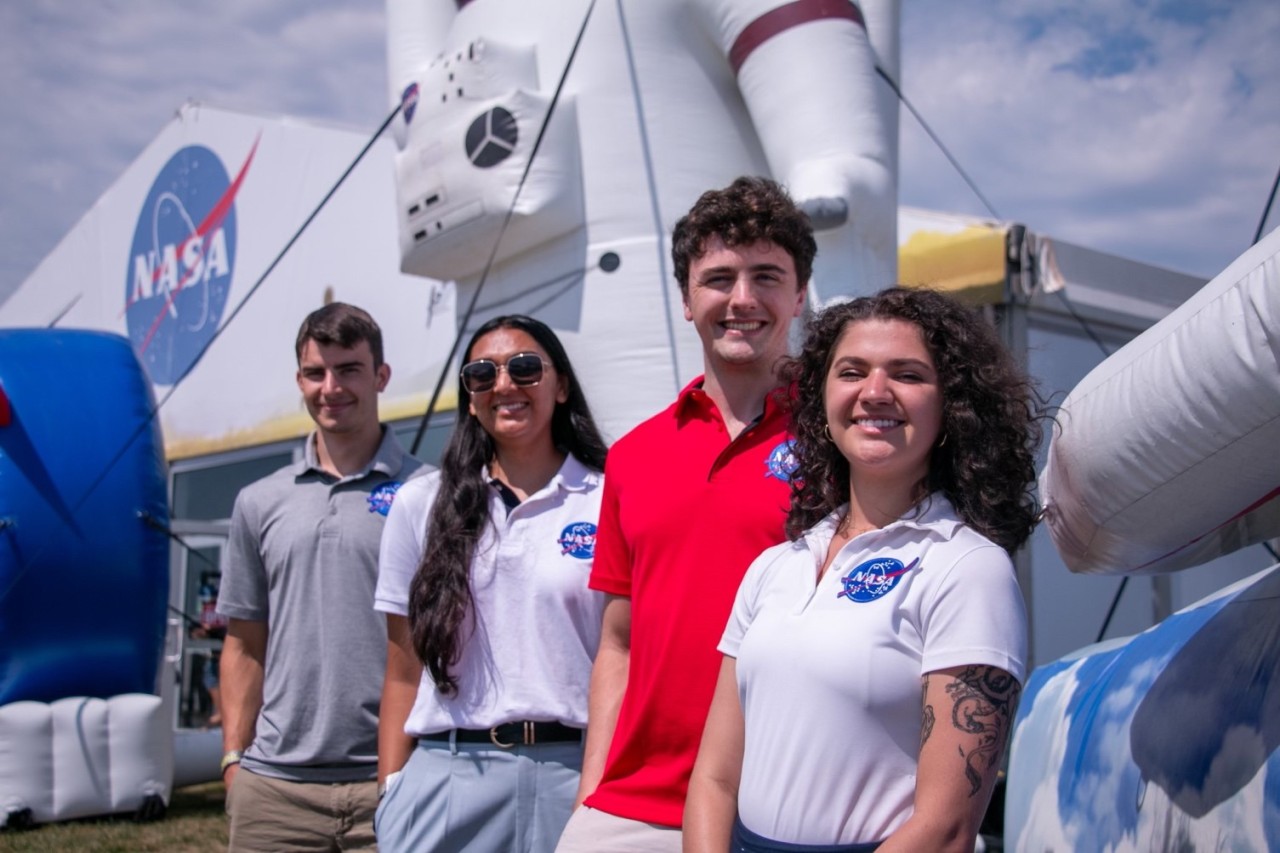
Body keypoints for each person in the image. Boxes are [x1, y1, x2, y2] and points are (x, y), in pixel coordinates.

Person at [684, 286, 1043, 852]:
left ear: (953, 407)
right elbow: (714, 779)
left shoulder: (967, 568)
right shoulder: (775, 566)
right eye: (851, 372)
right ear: (822, 400)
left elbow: (946, 829)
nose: (874, 392)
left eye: (907, 374)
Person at [556, 176, 814, 852]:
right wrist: (592, 789)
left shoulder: (843, 449)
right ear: (685, 298)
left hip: (785, 813)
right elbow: (618, 643)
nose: (742, 299)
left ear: (800, 295)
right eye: (718, 278)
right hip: (633, 810)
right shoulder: (634, 456)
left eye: (766, 276)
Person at [375, 314, 610, 852]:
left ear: (561, 385)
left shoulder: (613, 498)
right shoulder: (420, 504)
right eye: (482, 374)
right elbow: (402, 670)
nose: (504, 385)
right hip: (448, 776)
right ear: (470, 397)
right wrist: (391, 789)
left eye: (525, 368)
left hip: (577, 776)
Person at [217, 302, 424, 852]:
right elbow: (243, 642)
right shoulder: (259, 501)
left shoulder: (432, 493)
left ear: (381, 376)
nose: (331, 388)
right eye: (315, 372)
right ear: (300, 381)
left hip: (397, 776)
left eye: (349, 369)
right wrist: (234, 759)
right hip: (274, 790)